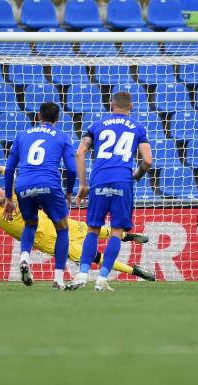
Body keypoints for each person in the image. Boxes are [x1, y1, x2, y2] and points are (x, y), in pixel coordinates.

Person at [0, 156, 155, 283]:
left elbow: (13, 173)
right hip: (51, 242)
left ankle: (129, 236)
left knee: (97, 229)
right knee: (94, 257)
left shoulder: (16, 195)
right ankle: (135, 270)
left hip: (60, 224)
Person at [68, 91, 152, 292]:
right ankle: (103, 278)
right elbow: (148, 161)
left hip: (99, 180)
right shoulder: (138, 128)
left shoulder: (96, 126)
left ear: (111, 105)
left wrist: (83, 184)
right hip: (123, 182)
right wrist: (136, 175)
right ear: (130, 107)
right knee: (116, 232)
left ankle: (82, 274)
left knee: (93, 230)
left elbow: (79, 152)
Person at [3, 102, 76, 290]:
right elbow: (73, 169)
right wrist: (68, 192)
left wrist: (9, 198)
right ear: (57, 118)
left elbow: (10, 168)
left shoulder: (22, 136)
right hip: (49, 184)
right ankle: (58, 279)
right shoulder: (62, 137)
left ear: (38, 116)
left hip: (24, 184)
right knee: (62, 229)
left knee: (30, 224)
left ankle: (25, 257)